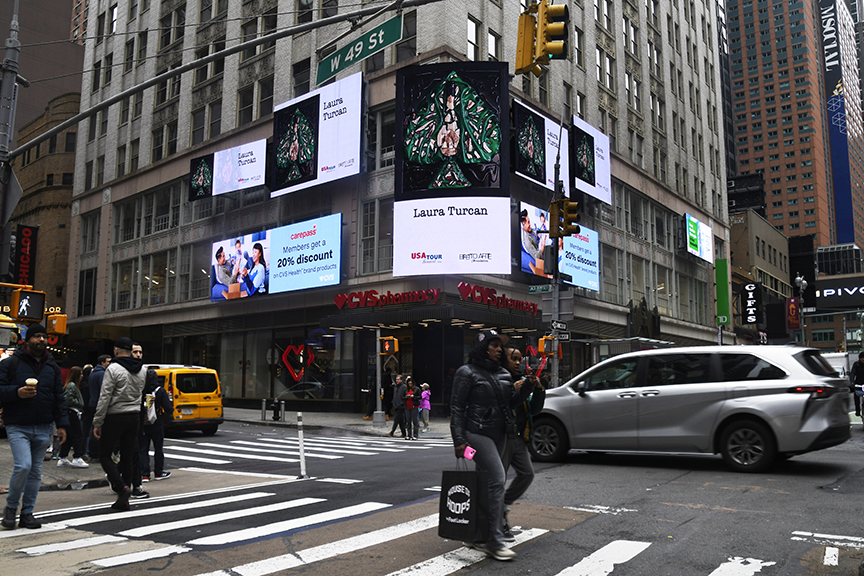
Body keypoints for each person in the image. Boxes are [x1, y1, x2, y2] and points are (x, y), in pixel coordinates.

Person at [450, 329, 530, 561]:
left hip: (500, 436)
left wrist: (527, 387)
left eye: (500, 346)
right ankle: (494, 541)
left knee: (485, 486)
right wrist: (459, 440)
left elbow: (510, 404)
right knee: (496, 480)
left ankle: (475, 535)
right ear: (482, 347)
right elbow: (456, 408)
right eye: (494, 345)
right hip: (475, 435)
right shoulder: (466, 373)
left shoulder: (504, 374)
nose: (499, 349)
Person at [0, 323, 68, 529]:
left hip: (44, 425)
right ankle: (11, 508)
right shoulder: (10, 363)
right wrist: (17, 393)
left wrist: (62, 424)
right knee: (24, 466)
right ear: (27, 340)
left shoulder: (52, 367)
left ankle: (27, 513)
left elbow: (59, 397)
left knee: (35, 472)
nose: (42, 340)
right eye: (37, 336)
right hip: (18, 424)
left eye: (44, 337)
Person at [93, 337, 147, 511]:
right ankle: (124, 499)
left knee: (104, 454)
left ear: (116, 351)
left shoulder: (113, 368)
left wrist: (98, 421)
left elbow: (105, 396)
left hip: (115, 416)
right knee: (127, 456)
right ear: (131, 351)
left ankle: (121, 487)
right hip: (134, 416)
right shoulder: (143, 369)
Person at [499, 346, 545, 541]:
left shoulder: (520, 379)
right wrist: (515, 389)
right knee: (497, 479)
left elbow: (534, 409)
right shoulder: (499, 379)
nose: (518, 362)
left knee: (527, 473)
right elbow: (503, 404)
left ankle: (502, 506)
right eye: (514, 358)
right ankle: (498, 521)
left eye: (519, 359)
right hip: (500, 437)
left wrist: (538, 388)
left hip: (518, 437)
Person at [135, 345, 172, 483]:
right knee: (158, 449)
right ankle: (158, 472)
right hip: (156, 423)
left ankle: (145, 474)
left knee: (143, 449)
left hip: (143, 423)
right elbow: (168, 408)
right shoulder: (160, 391)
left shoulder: (141, 390)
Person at [57, 366, 90, 468]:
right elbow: (68, 399)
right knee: (77, 435)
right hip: (73, 413)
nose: (82, 376)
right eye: (80, 374)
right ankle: (77, 457)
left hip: (71, 413)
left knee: (70, 436)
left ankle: (62, 457)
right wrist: (80, 403)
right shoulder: (72, 385)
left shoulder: (72, 385)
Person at [86, 355, 111, 461]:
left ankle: (91, 452)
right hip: (99, 405)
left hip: (92, 403)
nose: (109, 364)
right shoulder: (102, 374)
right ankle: (97, 453)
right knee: (99, 430)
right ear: (102, 363)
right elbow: (104, 391)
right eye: (108, 362)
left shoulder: (93, 373)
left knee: (92, 429)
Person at [850, 352, 864, 419]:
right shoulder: (856, 364)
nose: (863, 359)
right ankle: (857, 410)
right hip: (859, 384)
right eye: (862, 358)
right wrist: (852, 382)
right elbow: (853, 373)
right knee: (856, 396)